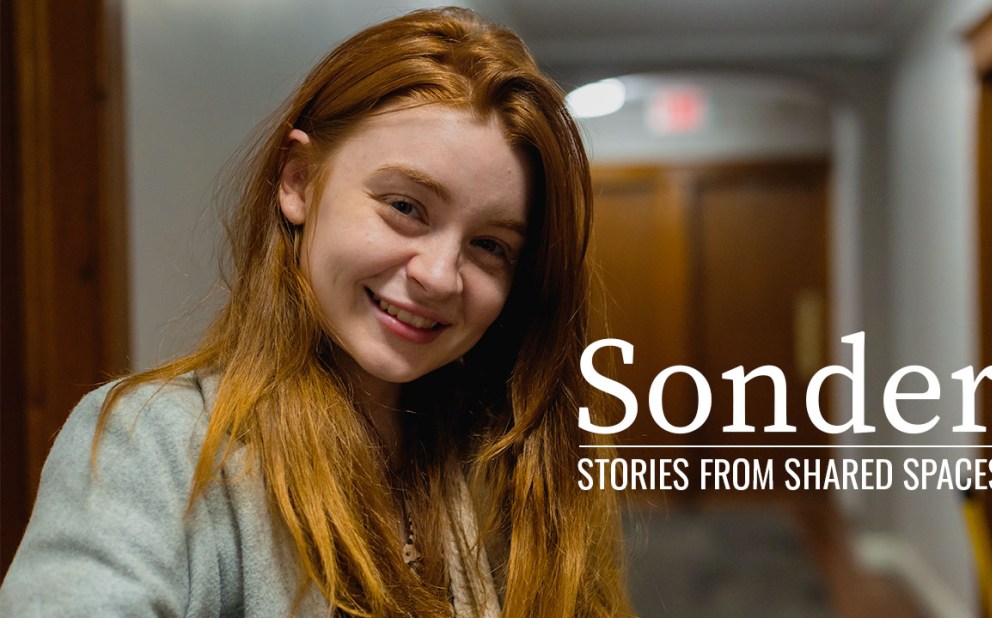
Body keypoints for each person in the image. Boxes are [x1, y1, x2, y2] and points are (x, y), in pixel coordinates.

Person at [0, 7, 632, 617]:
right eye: (405, 207)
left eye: (490, 246)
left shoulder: (509, 472)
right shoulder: (156, 448)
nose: (439, 276)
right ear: (299, 182)